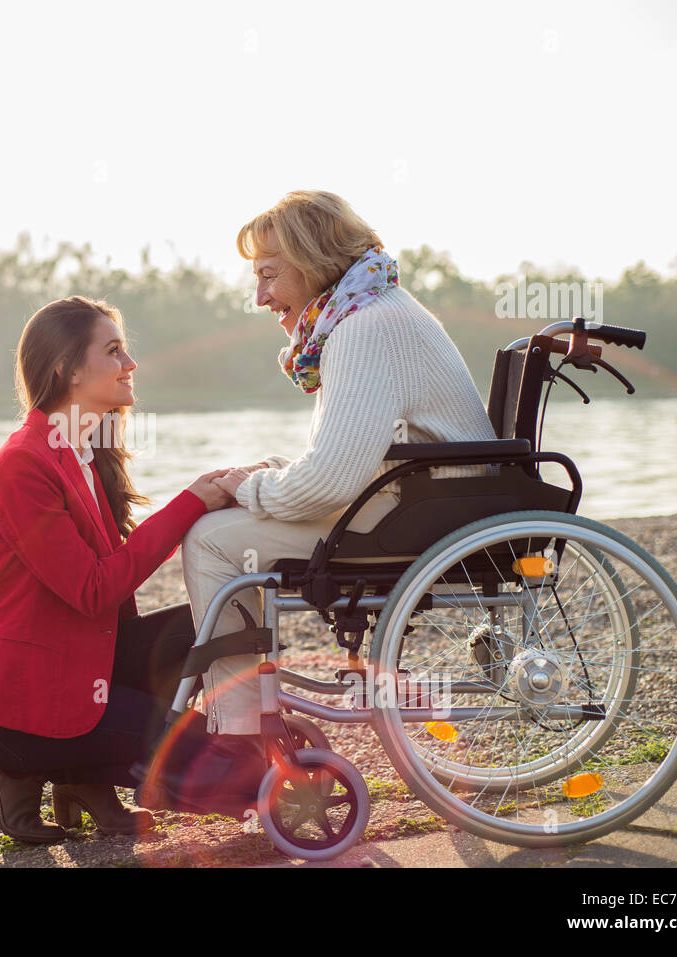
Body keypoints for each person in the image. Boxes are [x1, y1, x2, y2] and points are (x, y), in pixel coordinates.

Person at [157, 190, 498, 813]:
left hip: (420, 518)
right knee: (238, 515)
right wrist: (271, 478)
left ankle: (234, 735)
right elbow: (352, 463)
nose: (260, 296)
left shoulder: (364, 328)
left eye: (269, 273)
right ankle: (244, 714)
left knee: (210, 539)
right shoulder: (376, 312)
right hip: (426, 501)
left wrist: (249, 487)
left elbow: (332, 484)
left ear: (314, 261)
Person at [0, 295, 237, 843]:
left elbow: (114, 603)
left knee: (220, 622)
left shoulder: (81, 451)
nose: (130, 364)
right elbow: (93, 590)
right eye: (114, 350)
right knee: (203, 756)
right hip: (19, 697)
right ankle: (20, 762)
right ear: (67, 370)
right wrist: (192, 500)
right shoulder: (23, 463)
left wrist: (228, 498)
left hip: (79, 663)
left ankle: (84, 777)